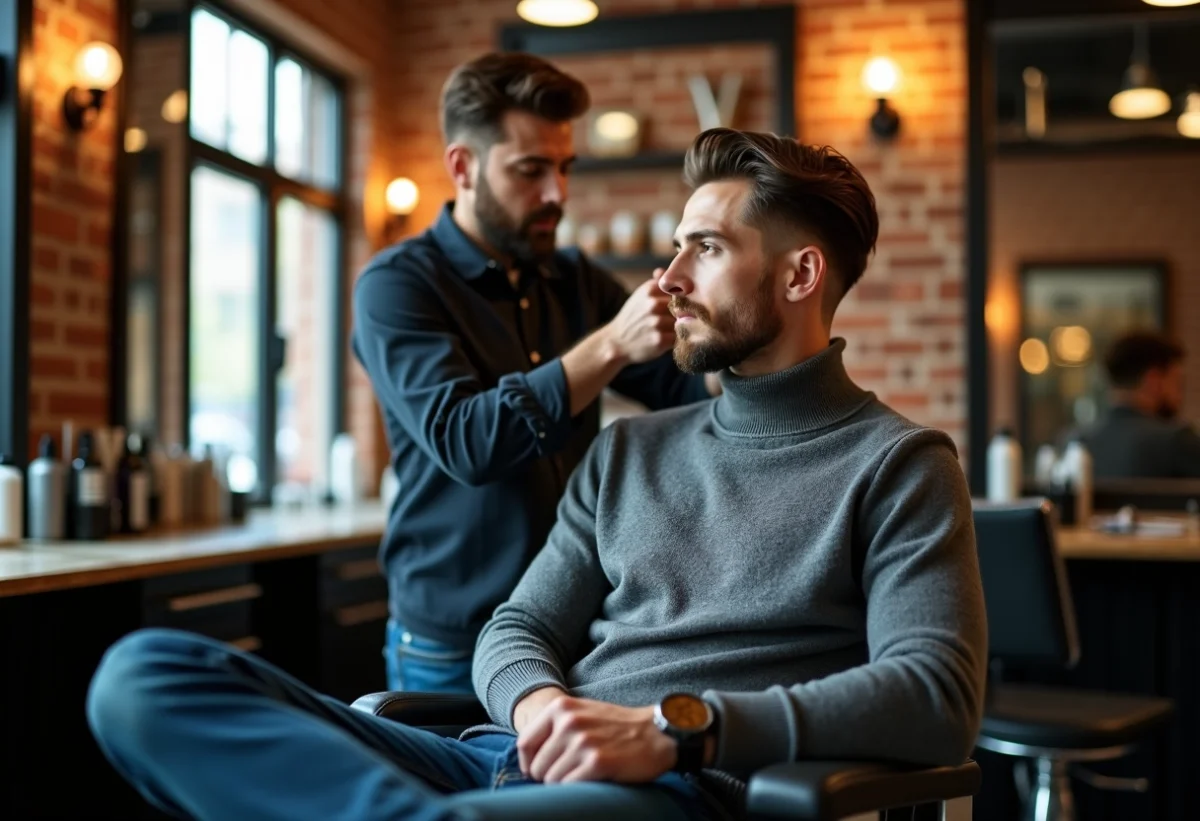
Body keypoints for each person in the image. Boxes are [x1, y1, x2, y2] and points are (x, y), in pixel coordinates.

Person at [86, 128, 987, 821]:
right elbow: (517, 625)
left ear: (800, 274)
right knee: (142, 675)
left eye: (705, 249)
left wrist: (677, 728)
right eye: (676, 245)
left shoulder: (901, 464)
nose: (667, 278)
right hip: (504, 756)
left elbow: (935, 696)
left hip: (678, 789)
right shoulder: (632, 450)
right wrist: (540, 704)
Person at [352, 53, 715, 692]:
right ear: (462, 167)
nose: (558, 194)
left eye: (565, 168)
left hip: (570, 632)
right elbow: (466, 440)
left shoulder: (574, 280)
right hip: (451, 649)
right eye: (531, 170)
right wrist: (607, 348)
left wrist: (740, 334)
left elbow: (681, 391)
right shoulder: (397, 286)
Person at [1080, 331, 1200, 479]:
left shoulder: (1077, 443)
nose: (1180, 397)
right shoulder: (1177, 442)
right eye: (1178, 383)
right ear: (1153, 380)